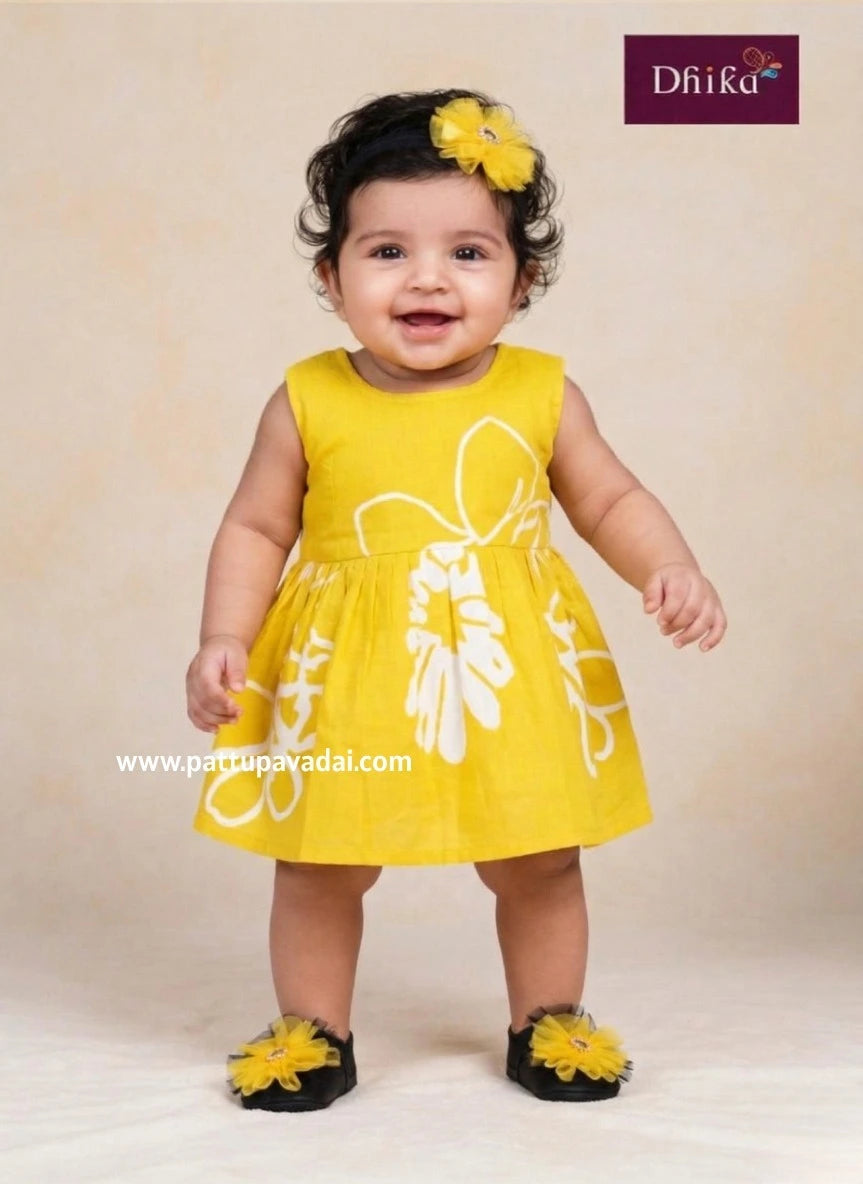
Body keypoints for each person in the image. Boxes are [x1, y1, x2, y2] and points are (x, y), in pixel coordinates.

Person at [185, 88, 727, 1112]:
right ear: (329, 274)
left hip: (506, 665)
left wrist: (671, 566)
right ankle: (312, 1031)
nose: (426, 277)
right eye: (385, 251)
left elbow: (609, 495)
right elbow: (255, 527)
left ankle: (547, 1020)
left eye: (468, 254)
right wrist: (224, 636)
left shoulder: (539, 391)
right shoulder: (306, 397)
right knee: (317, 861)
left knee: (537, 857)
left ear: (520, 280)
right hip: (345, 672)